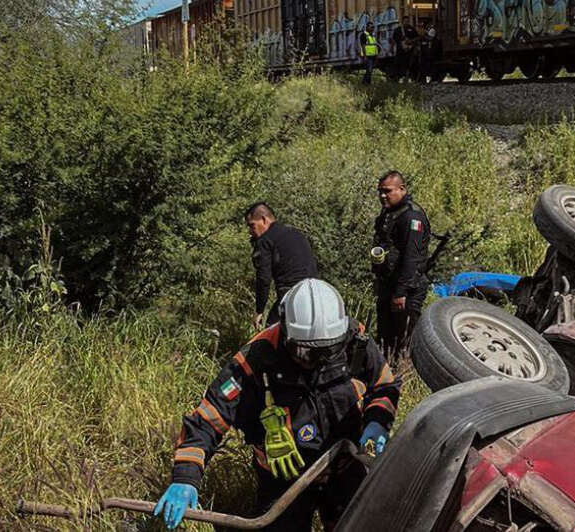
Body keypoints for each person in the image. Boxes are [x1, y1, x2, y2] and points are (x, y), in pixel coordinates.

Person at [154, 279, 401, 531]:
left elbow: (385, 386)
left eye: (328, 351)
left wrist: (377, 423)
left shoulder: (352, 342)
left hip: (345, 466)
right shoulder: (256, 360)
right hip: (284, 480)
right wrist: (186, 477)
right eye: (307, 353)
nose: (318, 362)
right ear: (286, 334)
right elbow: (209, 417)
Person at [371, 171, 430, 358]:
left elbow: (412, 258)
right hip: (388, 284)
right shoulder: (390, 213)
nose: (382, 196)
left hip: (406, 289)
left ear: (402, 189)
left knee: (404, 341)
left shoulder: (412, 216)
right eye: (380, 191)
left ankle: (405, 376)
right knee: (385, 339)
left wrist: (401, 292)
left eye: (387, 191)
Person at [245, 202, 319, 328]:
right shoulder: (296, 233)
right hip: (315, 293)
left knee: (269, 335)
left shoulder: (265, 240)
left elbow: (264, 278)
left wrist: (259, 310)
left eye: (252, 225)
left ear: (264, 220)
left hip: (290, 295)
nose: (251, 231)